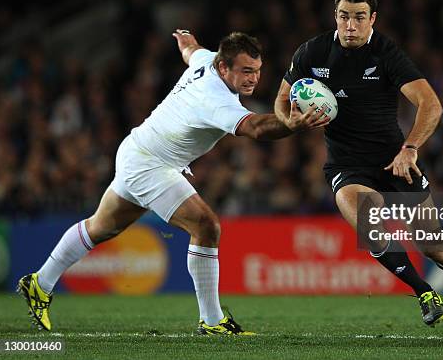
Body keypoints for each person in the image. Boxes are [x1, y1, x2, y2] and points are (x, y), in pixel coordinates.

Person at [17, 29, 327, 335]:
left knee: (101, 227)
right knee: (206, 225)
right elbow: (258, 129)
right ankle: (212, 320)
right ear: (224, 67)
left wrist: (186, 42)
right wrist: (293, 123)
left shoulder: (207, 60)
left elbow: (192, 52)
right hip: (150, 164)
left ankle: (39, 283)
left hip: (139, 149)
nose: (253, 79)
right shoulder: (215, 99)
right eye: (246, 71)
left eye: (257, 71)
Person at [274, 0, 443, 335]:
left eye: (359, 17)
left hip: (395, 161)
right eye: (344, 16)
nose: (351, 25)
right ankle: (423, 293)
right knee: (366, 219)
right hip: (346, 165)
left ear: (373, 18)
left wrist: (410, 149)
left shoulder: (385, 53)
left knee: (435, 247)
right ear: (335, 15)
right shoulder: (311, 53)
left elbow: (431, 104)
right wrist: (290, 120)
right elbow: (282, 99)